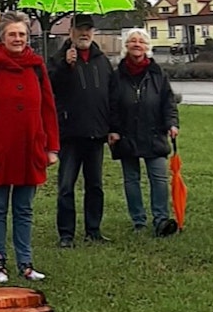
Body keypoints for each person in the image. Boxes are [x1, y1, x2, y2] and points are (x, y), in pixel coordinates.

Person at [0, 11, 60, 283]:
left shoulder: (37, 67)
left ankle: (25, 263)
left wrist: (52, 147)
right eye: (12, 34)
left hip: (30, 149)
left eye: (22, 34)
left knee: (24, 209)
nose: (18, 39)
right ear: (2, 37)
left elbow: (48, 108)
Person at [48, 13, 116, 247]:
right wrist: (66, 66)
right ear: (71, 32)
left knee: (95, 186)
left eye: (88, 30)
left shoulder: (102, 61)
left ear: (93, 33)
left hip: (96, 133)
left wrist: (112, 127)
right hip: (70, 133)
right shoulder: (58, 59)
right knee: (66, 186)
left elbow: (112, 96)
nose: (84, 34)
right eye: (79, 29)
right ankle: (66, 234)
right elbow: (50, 86)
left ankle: (93, 230)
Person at [108, 29, 179, 237]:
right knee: (131, 179)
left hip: (154, 133)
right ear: (126, 46)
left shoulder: (158, 74)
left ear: (147, 47)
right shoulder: (116, 75)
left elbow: (168, 102)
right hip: (126, 134)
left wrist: (172, 124)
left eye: (141, 41)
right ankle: (138, 221)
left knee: (159, 179)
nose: (137, 44)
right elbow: (111, 105)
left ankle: (161, 220)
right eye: (133, 41)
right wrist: (113, 129)